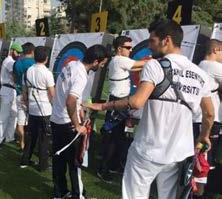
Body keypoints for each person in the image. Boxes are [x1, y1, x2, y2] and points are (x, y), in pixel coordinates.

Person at [84, 20, 215, 199]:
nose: (150, 46)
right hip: (178, 153)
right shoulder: (199, 73)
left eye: (152, 40)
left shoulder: (155, 65)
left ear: (166, 40)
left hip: (147, 150)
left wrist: (103, 105)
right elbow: (209, 113)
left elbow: (137, 102)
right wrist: (204, 135)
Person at [51, 44, 108, 199]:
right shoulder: (81, 75)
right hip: (67, 124)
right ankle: (78, 195)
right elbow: (70, 101)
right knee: (75, 163)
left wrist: (80, 110)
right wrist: (77, 125)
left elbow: (68, 95)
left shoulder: (71, 64)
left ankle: (59, 192)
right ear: (96, 61)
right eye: (102, 63)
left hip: (56, 120)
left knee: (59, 159)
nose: (103, 66)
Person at [98, 36, 147, 183]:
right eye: (128, 47)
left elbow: (140, 66)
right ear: (119, 49)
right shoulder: (120, 60)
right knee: (113, 139)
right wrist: (157, 59)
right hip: (117, 103)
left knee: (119, 137)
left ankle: (113, 165)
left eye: (131, 47)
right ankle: (103, 169)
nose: (131, 50)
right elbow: (141, 64)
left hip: (120, 103)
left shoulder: (120, 60)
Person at [192, 39, 222, 197]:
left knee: (202, 160)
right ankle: (197, 194)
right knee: (203, 161)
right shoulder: (212, 66)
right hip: (208, 120)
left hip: (202, 118)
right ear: (216, 50)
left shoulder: (201, 65)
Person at [20, 46, 55, 171]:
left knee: (31, 136)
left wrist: (27, 104)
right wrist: (55, 105)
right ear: (46, 58)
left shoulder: (28, 71)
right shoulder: (47, 73)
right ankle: (43, 165)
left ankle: (25, 160)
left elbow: (24, 91)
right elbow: (52, 93)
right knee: (44, 138)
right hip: (45, 109)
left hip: (33, 108)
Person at [0, 42, 23, 149]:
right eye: (18, 52)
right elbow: (15, 73)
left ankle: (9, 137)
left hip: (13, 90)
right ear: (12, 50)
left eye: (20, 53)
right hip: (7, 89)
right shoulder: (9, 61)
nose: (19, 54)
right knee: (4, 117)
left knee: (13, 116)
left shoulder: (13, 61)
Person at [13, 42, 35, 151]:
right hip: (31, 96)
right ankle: (30, 144)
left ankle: (22, 143)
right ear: (32, 51)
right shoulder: (35, 63)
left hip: (19, 94)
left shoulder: (17, 63)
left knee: (20, 122)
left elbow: (15, 77)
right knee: (33, 121)